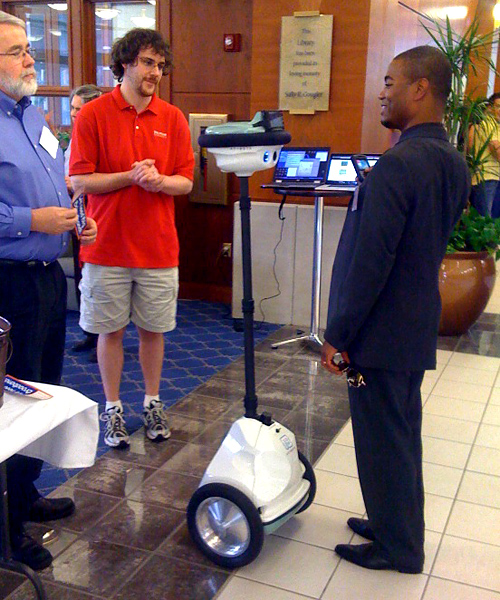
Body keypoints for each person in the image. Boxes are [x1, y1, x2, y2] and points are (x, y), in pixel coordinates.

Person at [321, 45, 470, 573]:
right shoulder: (452, 161)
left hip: (381, 333)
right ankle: (393, 523)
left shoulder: (397, 166)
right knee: (399, 435)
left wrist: (337, 335)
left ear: (419, 89)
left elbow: (370, 265)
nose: (381, 93)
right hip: (412, 325)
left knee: (384, 440)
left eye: (389, 83)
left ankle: (399, 547)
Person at [0, 11, 97, 570]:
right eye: (16, 52)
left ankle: (27, 493)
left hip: (46, 279)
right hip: (6, 283)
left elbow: (57, 181)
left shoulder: (33, 114)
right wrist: (30, 219)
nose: (31, 59)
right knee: (7, 405)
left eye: (28, 49)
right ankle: (5, 529)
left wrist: (75, 218)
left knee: (40, 392)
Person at [69, 28, 194, 449]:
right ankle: (113, 409)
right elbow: (79, 180)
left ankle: (153, 402)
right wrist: (129, 176)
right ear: (124, 63)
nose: (155, 72)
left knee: (154, 331)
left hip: (159, 249)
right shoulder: (93, 115)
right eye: (146, 62)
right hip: (106, 248)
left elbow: (186, 183)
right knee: (110, 332)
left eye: (160, 65)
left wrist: (160, 181)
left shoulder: (173, 118)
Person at [64, 84, 102, 360]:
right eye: (73, 109)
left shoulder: (100, 133)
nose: (75, 114)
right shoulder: (71, 137)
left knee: (98, 276)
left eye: (80, 109)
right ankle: (88, 332)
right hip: (74, 208)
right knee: (81, 273)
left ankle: (104, 336)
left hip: (99, 210)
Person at [468, 92, 500, 216]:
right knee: (484, 223)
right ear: (489, 107)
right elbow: (497, 152)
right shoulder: (487, 123)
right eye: (498, 106)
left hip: (491, 177)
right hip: (487, 178)